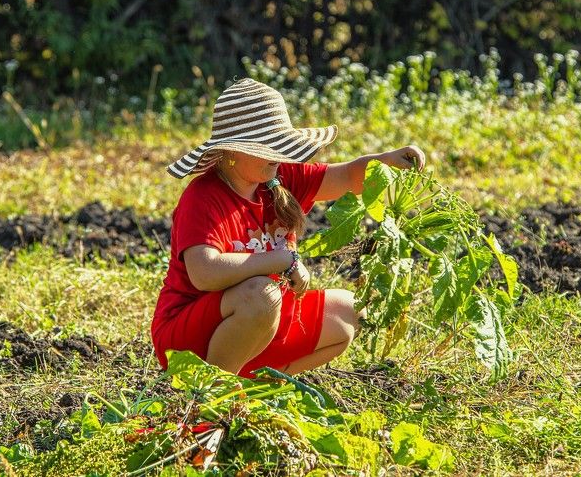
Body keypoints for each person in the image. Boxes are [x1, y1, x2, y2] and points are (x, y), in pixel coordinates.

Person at [151, 77, 425, 377]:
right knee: (263, 295)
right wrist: (283, 260)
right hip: (188, 338)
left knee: (348, 312)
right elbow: (206, 273)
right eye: (266, 146)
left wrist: (387, 161)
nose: (277, 155)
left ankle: (252, 384)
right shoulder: (203, 197)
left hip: (256, 320)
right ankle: (206, 396)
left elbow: (347, 177)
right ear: (231, 152)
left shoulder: (279, 179)